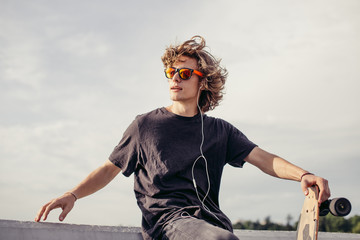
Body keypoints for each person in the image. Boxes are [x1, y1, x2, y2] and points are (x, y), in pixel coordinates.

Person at [35, 36, 331, 240]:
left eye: (185, 73)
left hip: (210, 223)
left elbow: (263, 159)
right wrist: (72, 194)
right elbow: (110, 168)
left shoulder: (219, 130)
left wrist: (302, 175)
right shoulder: (146, 125)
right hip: (167, 223)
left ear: (203, 81)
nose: (175, 78)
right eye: (171, 72)